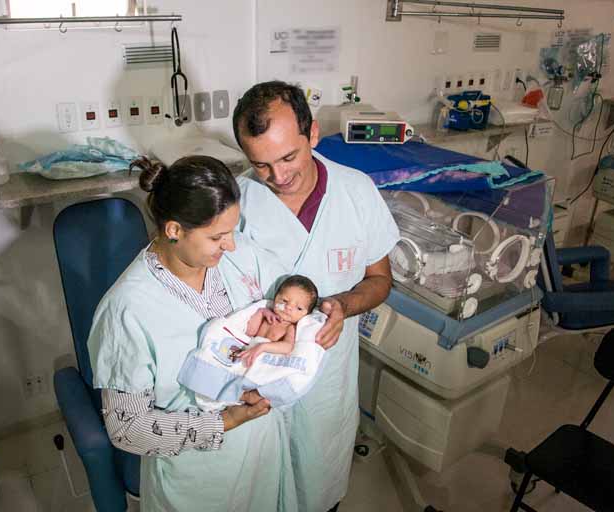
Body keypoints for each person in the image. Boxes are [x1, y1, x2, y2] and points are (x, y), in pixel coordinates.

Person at [87, 155, 297, 512]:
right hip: (198, 483)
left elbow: (294, 302)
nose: (231, 245)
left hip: (262, 456)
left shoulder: (239, 255)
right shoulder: (127, 311)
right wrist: (225, 421)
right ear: (174, 230)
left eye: (232, 230)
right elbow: (129, 428)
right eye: (217, 236)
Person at [233, 81, 400, 511]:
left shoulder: (355, 191)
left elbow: (380, 279)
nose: (278, 176)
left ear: (312, 134)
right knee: (257, 492)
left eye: (289, 156)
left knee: (318, 489)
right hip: (255, 380)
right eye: (261, 165)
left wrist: (343, 306)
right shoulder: (238, 202)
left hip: (327, 379)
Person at [238, 274, 319, 367]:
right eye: (285, 300)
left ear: (307, 314)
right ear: (276, 297)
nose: (288, 307)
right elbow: (249, 333)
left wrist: (262, 347)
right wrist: (261, 312)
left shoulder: (290, 327)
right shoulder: (267, 316)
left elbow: (288, 347)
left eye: (299, 308)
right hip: (248, 353)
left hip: (265, 362)